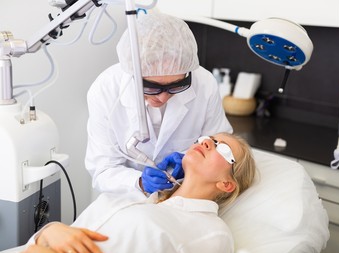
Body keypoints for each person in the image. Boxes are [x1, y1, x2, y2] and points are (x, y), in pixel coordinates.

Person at [10, 133, 256, 253]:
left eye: (222, 148)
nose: (206, 143)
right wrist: (50, 231)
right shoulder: (133, 199)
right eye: (206, 138)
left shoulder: (211, 232)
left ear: (227, 184)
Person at [85, 10, 232, 196]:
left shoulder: (204, 83)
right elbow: (102, 170)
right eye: (151, 87)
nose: (162, 98)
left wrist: (188, 159)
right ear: (133, 74)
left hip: (179, 198)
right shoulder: (105, 89)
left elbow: (221, 144)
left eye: (175, 86)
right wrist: (139, 182)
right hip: (122, 199)